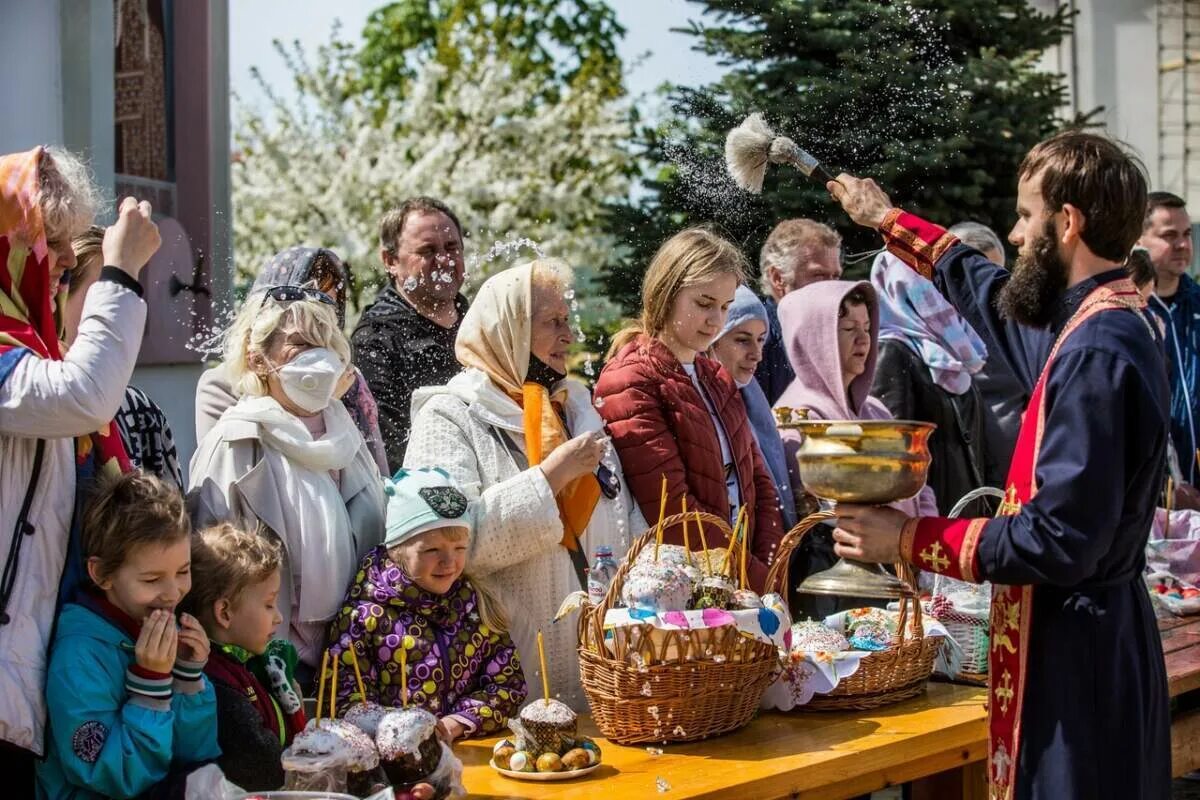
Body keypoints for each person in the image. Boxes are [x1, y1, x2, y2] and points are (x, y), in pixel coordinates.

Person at [826, 130, 1170, 798]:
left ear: (1066, 223)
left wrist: (906, 538)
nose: (1014, 235)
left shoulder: (1095, 351)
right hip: (1081, 646)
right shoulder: (1094, 321)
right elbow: (993, 302)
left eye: (1024, 215)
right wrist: (888, 221)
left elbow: (1060, 538)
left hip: (1080, 665)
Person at [404, 259, 643, 711]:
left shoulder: (574, 411)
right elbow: (450, 544)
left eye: (567, 321)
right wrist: (550, 477)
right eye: (553, 323)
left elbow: (623, 518)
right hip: (506, 674)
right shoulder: (451, 416)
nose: (568, 336)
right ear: (509, 328)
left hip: (602, 669)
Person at [0, 146, 160, 786]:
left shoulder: (28, 348)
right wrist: (118, 272)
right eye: (54, 241)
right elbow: (85, 394)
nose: (66, 259)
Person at [188, 292, 385, 686]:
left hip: (354, 667)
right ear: (258, 358)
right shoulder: (236, 439)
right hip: (267, 671)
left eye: (326, 342)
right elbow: (208, 562)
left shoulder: (348, 438)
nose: (320, 356)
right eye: (300, 345)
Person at [595, 228, 786, 590]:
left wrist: (768, 569)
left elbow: (758, 481)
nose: (717, 320)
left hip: (739, 578)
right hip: (683, 589)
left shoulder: (714, 375)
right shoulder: (630, 379)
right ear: (667, 293)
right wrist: (755, 579)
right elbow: (672, 510)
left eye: (726, 306)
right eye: (704, 303)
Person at [37, 471, 219, 799]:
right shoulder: (78, 658)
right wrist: (150, 684)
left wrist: (187, 680)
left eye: (183, 572)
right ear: (101, 573)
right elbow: (117, 776)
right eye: (151, 580)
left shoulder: (149, 625)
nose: (173, 593)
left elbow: (195, 756)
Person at [773, 279, 937, 619]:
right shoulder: (797, 417)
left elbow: (920, 491)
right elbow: (816, 511)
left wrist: (922, 548)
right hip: (836, 588)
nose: (863, 339)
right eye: (848, 329)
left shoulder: (875, 411)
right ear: (814, 340)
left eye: (866, 327)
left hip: (899, 569)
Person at [328, 468, 527, 741]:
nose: (449, 562)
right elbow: (345, 700)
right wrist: (406, 732)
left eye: (459, 548)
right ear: (397, 548)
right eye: (432, 550)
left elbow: (508, 685)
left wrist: (455, 723)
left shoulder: (473, 605)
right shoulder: (364, 617)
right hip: (396, 769)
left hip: (469, 759)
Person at [195, 246, 388, 473]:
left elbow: (376, 475)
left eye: (330, 303)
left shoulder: (350, 381)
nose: (320, 313)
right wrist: (320, 402)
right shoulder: (221, 385)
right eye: (306, 298)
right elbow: (228, 471)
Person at [184, 523, 306, 791]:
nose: (279, 616)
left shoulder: (250, 664)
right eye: (268, 604)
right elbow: (262, 765)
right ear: (224, 613)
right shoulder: (218, 684)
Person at [869, 251, 991, 515]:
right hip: (929, 523)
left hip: (965, 515)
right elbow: (894, 454)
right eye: (923, 284)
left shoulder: (953, 351)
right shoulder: (891, 351)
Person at [353, 197, 470, 471]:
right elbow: (389, 447)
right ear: (390, 260)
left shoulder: (481, 321)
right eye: (428, 251)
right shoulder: (377, 337)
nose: (444, 260)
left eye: (452, 247)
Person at [68, 226, 183, 487]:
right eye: (101, 296)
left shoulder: (141, 411)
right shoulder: (34, 404)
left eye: (126, 296)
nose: (114, 313)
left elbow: (173, 518)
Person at [947, 221, 1036, 487]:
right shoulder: (926, 341)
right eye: (974, 283)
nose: (987, 297)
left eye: (996, 278)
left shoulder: (1016, 330)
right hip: (956, 483)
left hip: (1011, 478)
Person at [709, 285, 799, 529]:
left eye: (761, 340)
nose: (757, 354)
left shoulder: (751, 398)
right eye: (742, 340)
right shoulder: (701, 404)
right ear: (713, 340)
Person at [1139, 192, 1200, 484]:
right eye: (1169, 235)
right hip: (1153, 492)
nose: (1183, 245)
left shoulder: (1197, 304)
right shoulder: (1127, 313)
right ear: (1139, 240)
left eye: (1187, 234)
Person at [755, 218, 843, 404]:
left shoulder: (839, 334)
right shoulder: (756, 339)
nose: (832, 287)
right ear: (778, 278)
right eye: (819, 275)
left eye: (835, 276)